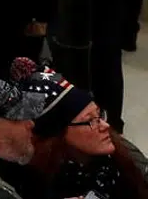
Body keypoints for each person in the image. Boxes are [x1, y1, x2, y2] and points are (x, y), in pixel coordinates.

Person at [12, 60, 148, 199]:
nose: (105, 125)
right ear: (58, 133)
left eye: (99, 114)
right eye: (90, 120)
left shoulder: (122, 155)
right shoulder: (35, 185)